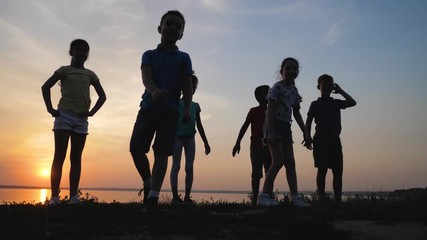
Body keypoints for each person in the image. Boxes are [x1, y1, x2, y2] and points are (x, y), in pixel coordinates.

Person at [129, 10, 193, 210]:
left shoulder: (184, 58)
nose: (173, 28)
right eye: (169, 24)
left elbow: (187, 86)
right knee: (136, 148)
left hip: (170, 112)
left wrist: (187, 109)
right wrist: (154, 90)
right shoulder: (149, 55)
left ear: (181, 34)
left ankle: (153, 198)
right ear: (160, 28)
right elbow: (146, 77)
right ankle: (148, 181)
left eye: (178, 26)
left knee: (161, 153)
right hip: (148, 108)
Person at [41, 39, 107, 205]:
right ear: (71, 52)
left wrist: (91, 112)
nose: (82, 53)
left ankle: (73, 198)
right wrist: (50, 109)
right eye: (78, 50)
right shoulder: (64, 70)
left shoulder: (90, 74)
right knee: (59, 156)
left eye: (85, 51)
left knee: (76, 158)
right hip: (64, 116)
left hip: (81, 120)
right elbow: (45, 87)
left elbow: (102, 96)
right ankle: (54, 197)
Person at [257, 57, 311, 208]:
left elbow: (297, 114)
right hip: (273, 125)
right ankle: (264, 196)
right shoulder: (277, 88)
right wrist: (271, 132)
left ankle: (295, 197)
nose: (291, 71)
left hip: (286, 127)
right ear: (282, 71)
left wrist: (305, 132)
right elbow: (270, 111)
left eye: (294, 68)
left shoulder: (294, 91)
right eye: (288, 68)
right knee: (278, 161)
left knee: (290, 162)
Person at [304, 74, 356, 203]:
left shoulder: (336, 103)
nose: (327, 87)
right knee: (322, 170)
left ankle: (338, 200)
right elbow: (309, 121)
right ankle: (321, 198)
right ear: (318, 87)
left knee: (338, 172)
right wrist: (307, 137)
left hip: (335, 141)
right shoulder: (315, 104)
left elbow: (352, 102)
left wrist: (341, 91)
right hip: (320, 141)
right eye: (324, 85)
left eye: (330, 85)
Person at [170, 73, 211, 204]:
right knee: (176, 166)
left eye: (193, 87)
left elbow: (199, 124)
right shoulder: (176, 104)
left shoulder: (195, 106)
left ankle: (187, 196)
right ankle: (175, 197)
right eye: (189, 87)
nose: (191, 89)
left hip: (190, 138)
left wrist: (206, 142)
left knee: (189, 167)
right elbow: (171, 123)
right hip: (177, 137)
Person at [232, 85, 272, 205]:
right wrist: (237, 142)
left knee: (269, 171)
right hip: (255, 146)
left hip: (270, 146)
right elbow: (244, 126)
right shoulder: (253, 111)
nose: (269, 95)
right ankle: (255, 199)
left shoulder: (273, 110)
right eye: (266, 93)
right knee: (256, 174)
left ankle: (268, 197)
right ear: (259, 97)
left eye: (269, 92)